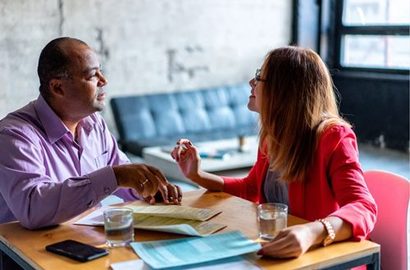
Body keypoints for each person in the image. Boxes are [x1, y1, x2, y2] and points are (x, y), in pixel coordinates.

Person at [171, 46, 377, 258]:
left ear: (284, 89)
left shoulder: (334, 136)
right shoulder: (273, 137)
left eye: (260, 76)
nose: (252, 83)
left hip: (323, 257)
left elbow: (363, 207)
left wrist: (311, 231)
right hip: (279, 253)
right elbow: (250, 189)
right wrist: (197, 175)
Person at [0, 37, 182, 230]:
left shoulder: (94, 124)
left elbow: (124, 174)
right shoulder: (14, 136)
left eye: (101, 71)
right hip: (27, 253)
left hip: (86, 240)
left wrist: (151, 188)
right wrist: (116, 177)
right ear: (58, 87)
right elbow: (33, 208)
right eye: (92, 75)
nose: (104, 81)